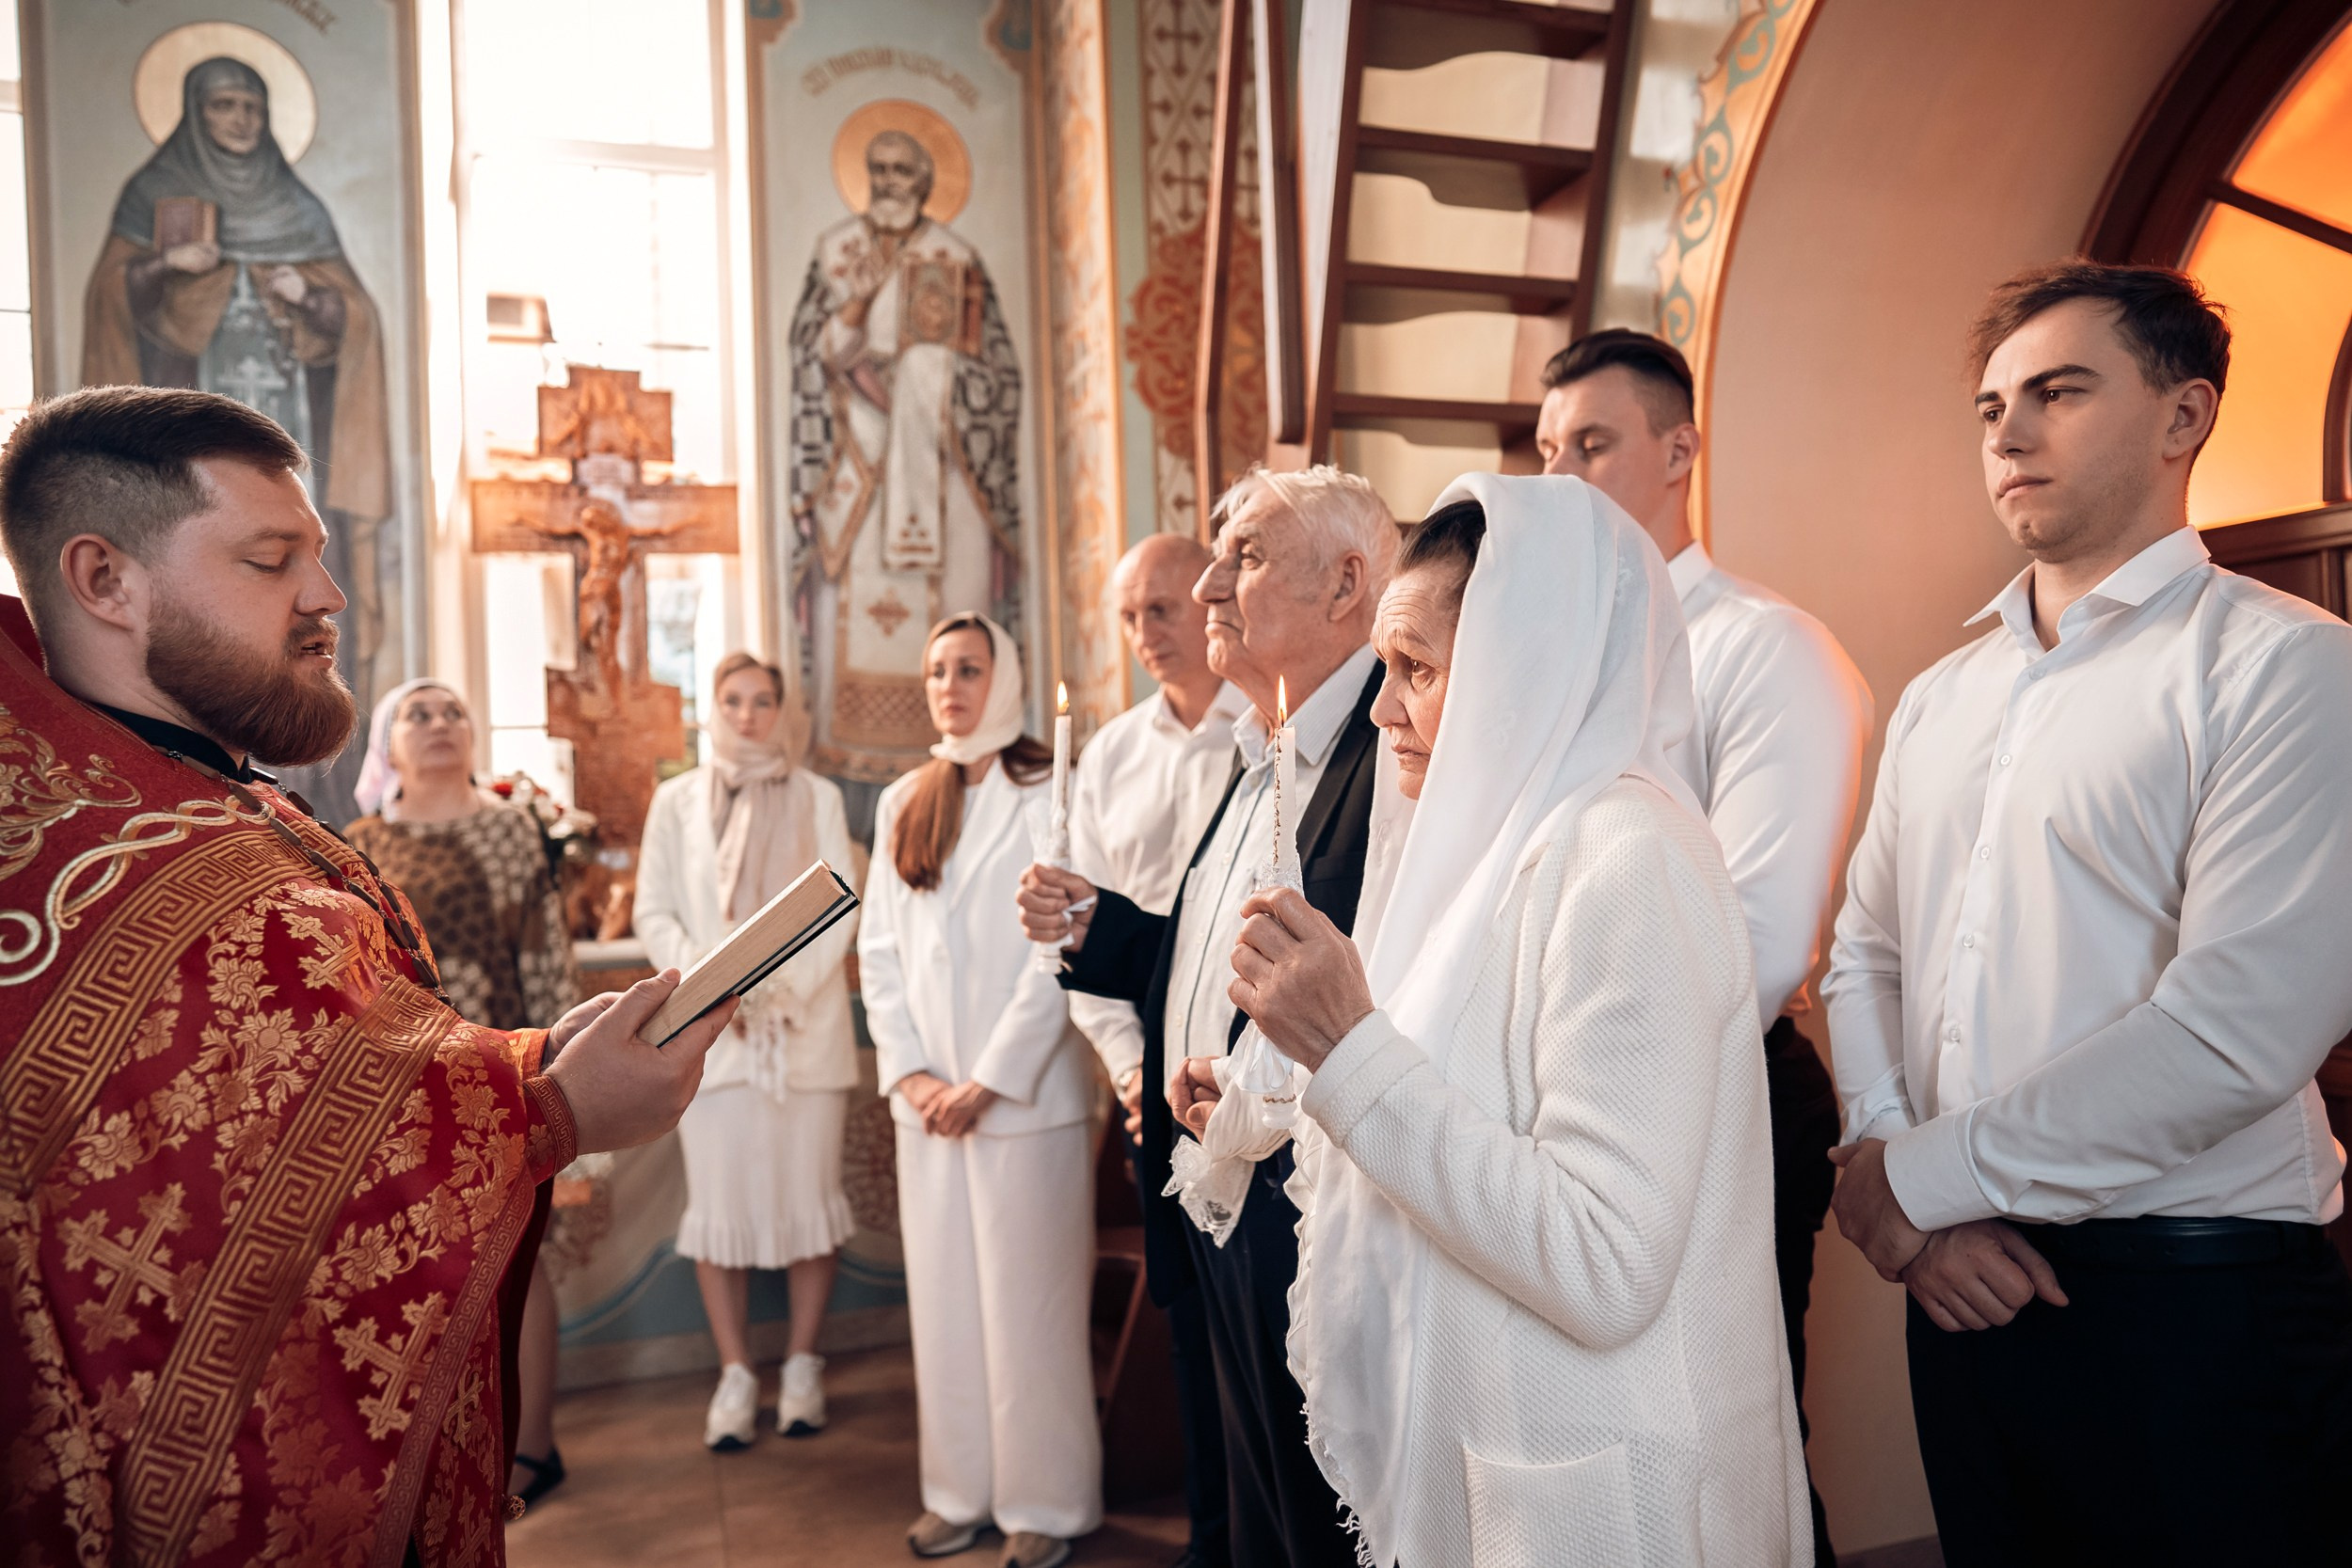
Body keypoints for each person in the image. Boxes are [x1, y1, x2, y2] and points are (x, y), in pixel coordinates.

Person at [0, 385, 735, 1566]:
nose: (327, 595)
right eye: (269, 556)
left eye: (321, 556)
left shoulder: (153, 809)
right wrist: (553, 1102)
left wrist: (542, 1063)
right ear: (104, 580)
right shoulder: (159, 878)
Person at [1823, 261, 2352, 1567]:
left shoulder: (2288, 667)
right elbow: (1864, 952)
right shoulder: (1942, 694)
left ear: (2185, 415)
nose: (2007, 432)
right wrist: (1903, 1186)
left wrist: (1907, 1184)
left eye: (2058, 391)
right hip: (1958, 1283)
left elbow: (2236, 1030)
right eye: (1992, 403)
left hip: (2197, 1292)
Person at [1214, 475, 1808, 1566]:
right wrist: (1282, 1096)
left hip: (1602, 1487)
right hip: (1500, 1452)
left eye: (1419, 670)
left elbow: (1603, 1256)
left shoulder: (1630, 858)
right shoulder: (1485, 853)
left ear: (1528, 667)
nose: (1384, 708)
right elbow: (1460, 1092)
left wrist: (1346, 1048)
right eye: (1386, 669)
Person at [1019, 467, 1395, 1568]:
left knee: (1318, 1512)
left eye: (1245, 556)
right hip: (1215, 1167)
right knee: (1252, 1500)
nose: (1211, 588)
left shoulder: (1390, 754)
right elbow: (1205, 953)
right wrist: (1105, 929)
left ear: (1345, 584)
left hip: (1304, 1190)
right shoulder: (1262, 749)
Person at [1535, 328, 1870, 1563]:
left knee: (1730, 1446)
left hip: (1723, 1087)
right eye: (1547, 451)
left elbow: (1766, 935)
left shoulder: (1764, 646)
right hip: (1585, 1092)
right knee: (1623, 1449)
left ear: (1679, 450)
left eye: (1594, 444)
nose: (1564, 477)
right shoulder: (1563, 658)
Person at [859, 614, 1100, 1568]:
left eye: (968, 667)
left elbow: (1060, 948)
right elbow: (880, 949)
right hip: (929, 1107)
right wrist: (913, 1072)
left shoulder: (1053, 787)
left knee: (1030, 1306)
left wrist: (987, 1078)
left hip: (1021, 1100)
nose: (948, 684)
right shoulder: (904, 799)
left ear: (1005, 676)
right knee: (948, 1306)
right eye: (935, 670)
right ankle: (957, 1490)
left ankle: (1047, 1500)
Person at [343, 677, 583, 1505]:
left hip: (507, 1066)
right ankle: (437, 1463)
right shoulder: (356, 845)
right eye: (420, 712)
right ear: (390, 743)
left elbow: (547, 957)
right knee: (431, 1264)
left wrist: (565, 1084)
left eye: (454, 712)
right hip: (405, 1084)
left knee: (517, 1251)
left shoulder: (512, 828)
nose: (440, 723)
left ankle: (530, 1448)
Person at [1067, 531, 1248, 1568]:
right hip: (1146, 1071)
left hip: (1254, 1075)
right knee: (1183, 1310)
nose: (1147, 632)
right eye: (1131, 614)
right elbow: (1084, 934)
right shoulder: (1113, 752)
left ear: (1211, 599)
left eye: (1164, 607)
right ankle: (1208, 1536)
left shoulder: (1258, 727)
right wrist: (1128, 1068)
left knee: (1255, 1319)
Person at [633, 652, 861, 1452]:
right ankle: (735, 1371)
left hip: (805, 1030)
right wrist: (716, 982)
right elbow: (653, 911)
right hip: (710, 1038)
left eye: (763, 700)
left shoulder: (818, 796)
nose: (748, 714)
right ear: (712, 709)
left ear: (781, 711)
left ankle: (802, 1362)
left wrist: (778, 988)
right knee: (720, 1211)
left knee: (811, 1204)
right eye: (732, 699)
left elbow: (839, 908)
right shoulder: (675, 802)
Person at [787, 127, 1025, 781]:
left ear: (925, 183)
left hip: (942, 472)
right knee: (853, 614)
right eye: (878, 169)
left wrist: (929, 375)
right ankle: (854, 776)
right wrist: (860, 309)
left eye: (903, 171)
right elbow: (812, 356)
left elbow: (998, 375)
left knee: (950, 605)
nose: (889, 182)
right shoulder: (835, 252)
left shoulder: (958, 256)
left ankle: (962, 767)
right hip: (858, 466)